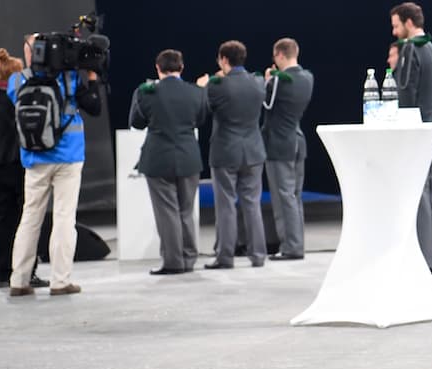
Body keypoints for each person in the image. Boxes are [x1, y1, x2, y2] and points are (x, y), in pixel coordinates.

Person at [8, 34, 102, 296]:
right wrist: (91, 76)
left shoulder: (17, 81)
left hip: (34, 158)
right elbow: (94, 108)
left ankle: (19, 280)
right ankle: (60, 281)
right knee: (63, 219)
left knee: (29, 219)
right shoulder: (69, 79)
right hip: (68, 157)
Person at [129, 49, 208, 275]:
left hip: (158, 158)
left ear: (158, 68)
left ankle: (173, 262)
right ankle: (189, 258)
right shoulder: (196, 92)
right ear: (181, 68)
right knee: (185, 211)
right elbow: (200, 119)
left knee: (167, 212)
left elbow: (137, 122)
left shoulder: (146, 92)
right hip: (188, 157)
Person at [0, 48, 48, 290]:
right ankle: (26, 272)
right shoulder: (18, 101)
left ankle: (2, 272)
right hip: (18, 164)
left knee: (3, 220)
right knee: (26, 220)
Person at [197, 40, 267, 269]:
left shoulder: (217, 86)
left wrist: (203, 86)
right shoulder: (258, 83)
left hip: (226, 153)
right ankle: (258, 255)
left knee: (226, 206)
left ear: (224, 60)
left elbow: (201, 110)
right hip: (254, 153)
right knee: (252, 205)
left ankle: (225, 257)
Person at [390, 2, 432, 275]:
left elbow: (405, 92)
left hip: (415, 127)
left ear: (408, 22)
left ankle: (422, 259)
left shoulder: (411, 49)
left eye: (396, 25)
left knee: (419, 192)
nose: (394, 31)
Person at [262, 38, 314, 261]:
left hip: (279, 144)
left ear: (280, 55)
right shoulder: (307, 77)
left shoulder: (278, 81)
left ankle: (291, 247)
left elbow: (266, 104)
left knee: (284, 197)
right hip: (297, 140)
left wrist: (267, 81)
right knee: (295, 196)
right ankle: (296, 243)